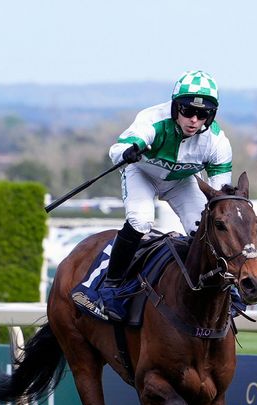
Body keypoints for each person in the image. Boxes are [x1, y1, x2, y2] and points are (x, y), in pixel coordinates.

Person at [94, 70, 233, 319]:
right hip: (143, 175)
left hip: (181, 182)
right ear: (174, 107)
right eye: (187, 111)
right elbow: (119, 148)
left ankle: (220, 289)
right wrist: (128, 151)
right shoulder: (153, 120)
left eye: (201, 114)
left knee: (203, 228)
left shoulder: (217, 143)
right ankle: (111, 286)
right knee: (141, 221)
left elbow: (221, 195)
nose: (193, 119)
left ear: (210, 116)